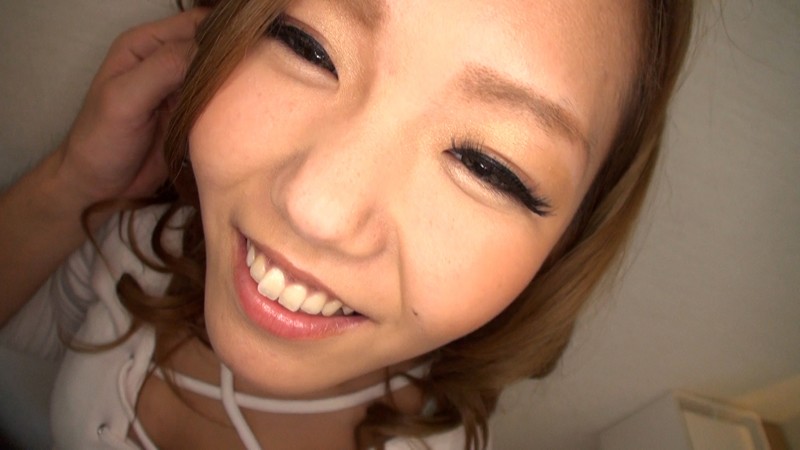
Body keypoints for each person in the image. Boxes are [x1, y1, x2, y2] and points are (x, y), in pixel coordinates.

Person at [0, 0, 694, 448]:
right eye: (308, 45)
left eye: (489, 166)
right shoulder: (139, 251)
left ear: (564, 249)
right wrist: (73, 182)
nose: (317, 209)